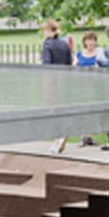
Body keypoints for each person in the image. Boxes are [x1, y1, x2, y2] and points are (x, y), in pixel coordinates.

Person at [41, 19, 73, 153]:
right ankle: (60, 135)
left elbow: (47, 65)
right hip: (64, 81)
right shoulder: (64, 44)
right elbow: (69, 63)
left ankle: (58, 139)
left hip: (52, 81)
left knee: (53, 111)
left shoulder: (47, 45)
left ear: (48, 30)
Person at [75, 31, 100, 147]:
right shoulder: (79, 54)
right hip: (82, 86)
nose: (90, 43)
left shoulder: (98, 54)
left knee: (92, 111)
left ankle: (90, 135)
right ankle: (82, 136)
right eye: (88, 40)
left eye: (92, 40)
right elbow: (73, 68)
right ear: (84, 42)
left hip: (94, 86)